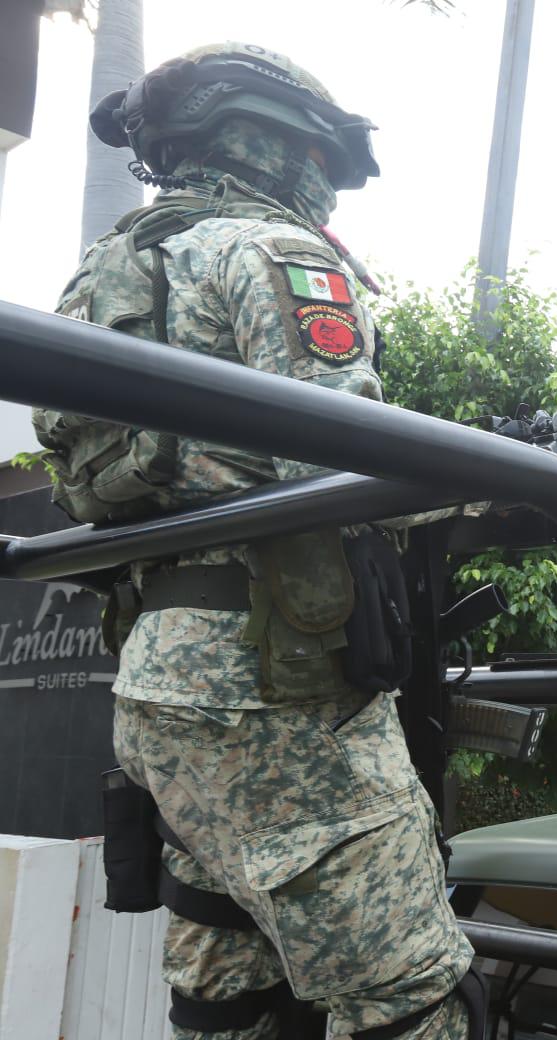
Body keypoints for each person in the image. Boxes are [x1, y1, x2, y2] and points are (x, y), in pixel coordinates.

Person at [33, 44, 478, 1039]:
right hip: (271, 689)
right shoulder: (276, 253)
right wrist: (476, 489)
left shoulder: (115, 271)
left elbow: (79, 481)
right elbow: (339, 455)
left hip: (159, 679)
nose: (326, 183)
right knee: (417, 1001)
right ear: (278, 144)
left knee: (226, 988)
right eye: (321, 157)